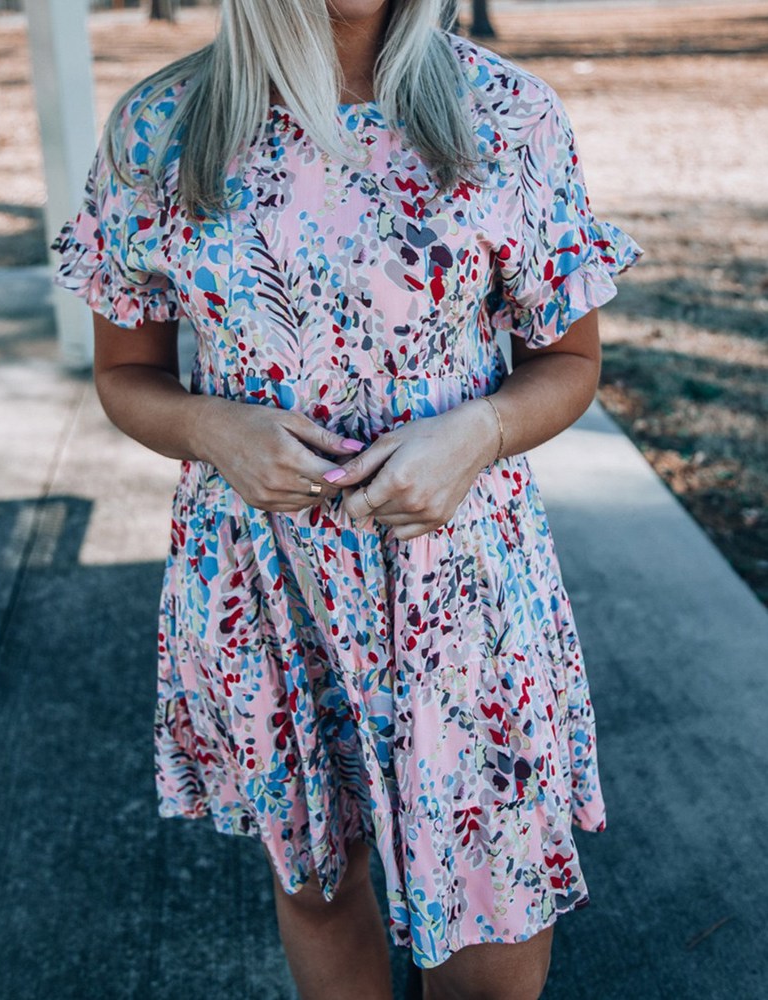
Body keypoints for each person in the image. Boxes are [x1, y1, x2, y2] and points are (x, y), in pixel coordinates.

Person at [52, 1, 641, 997]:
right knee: (322, 884)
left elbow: (570, 359)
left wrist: (482, 431)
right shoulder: (162, 127)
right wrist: (210, 428)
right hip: (269, 586)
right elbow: (127, 376)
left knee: (492, 917)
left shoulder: (506, 113)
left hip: (459, 589)